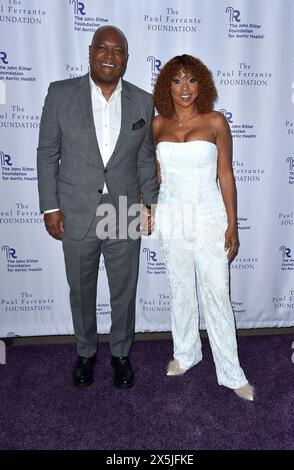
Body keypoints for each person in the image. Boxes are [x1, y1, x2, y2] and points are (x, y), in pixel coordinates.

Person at [37, 26, 159, 389]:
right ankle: (86, 352)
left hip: (124, 209)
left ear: (126, 57)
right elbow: (47, 154)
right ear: (90, 52)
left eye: (117, 49)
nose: (109, 55)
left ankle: (121, 354)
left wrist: (149, 203)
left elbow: (144, 159)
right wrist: (49, 207)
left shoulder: (142, 100)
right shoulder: (60, 94)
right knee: (81, 288)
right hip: (74, 209)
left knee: (124, 289)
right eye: (102, 48)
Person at [152, 55, 254, 401]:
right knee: (179, 289)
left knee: (216, 295)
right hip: (171, 215)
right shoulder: (157, 125)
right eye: (177, 80)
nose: (184, 88)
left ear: (202, 86)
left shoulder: (215, 122)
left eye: (192, 80)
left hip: (209, 215)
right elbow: (155, 174)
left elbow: (226, 174)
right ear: (168, 85)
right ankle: (186, 353)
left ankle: (230, 372)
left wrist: (232, 223)